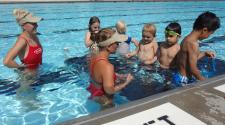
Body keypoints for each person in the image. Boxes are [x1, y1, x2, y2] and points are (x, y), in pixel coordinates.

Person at [87, 28, 133, 108]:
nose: (118, 45)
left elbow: (99, 74)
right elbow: (110, 91)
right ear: (108, 46)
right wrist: (126, 83)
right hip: (105, 100)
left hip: (94, 92)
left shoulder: (93, 55)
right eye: (117, 43)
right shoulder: (108, 67)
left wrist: (116, 75)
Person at [174, 11, 220, 86]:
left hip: (179, 76)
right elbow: (193, 69)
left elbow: (189, 61)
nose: (209, 36)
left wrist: (204, 53)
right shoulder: (193, 44)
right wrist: (206, 81)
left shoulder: (187, 39)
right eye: (210, 34)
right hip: (183, 80)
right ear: (204, 30)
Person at [3, 8, 43, 74]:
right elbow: (7, 62)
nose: (37, 25)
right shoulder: (22, 41)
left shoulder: (33, 35)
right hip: (28, 78)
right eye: (33, 23)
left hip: (38, 71)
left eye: (36, 23)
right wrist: (20, 67)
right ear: (23, 25)